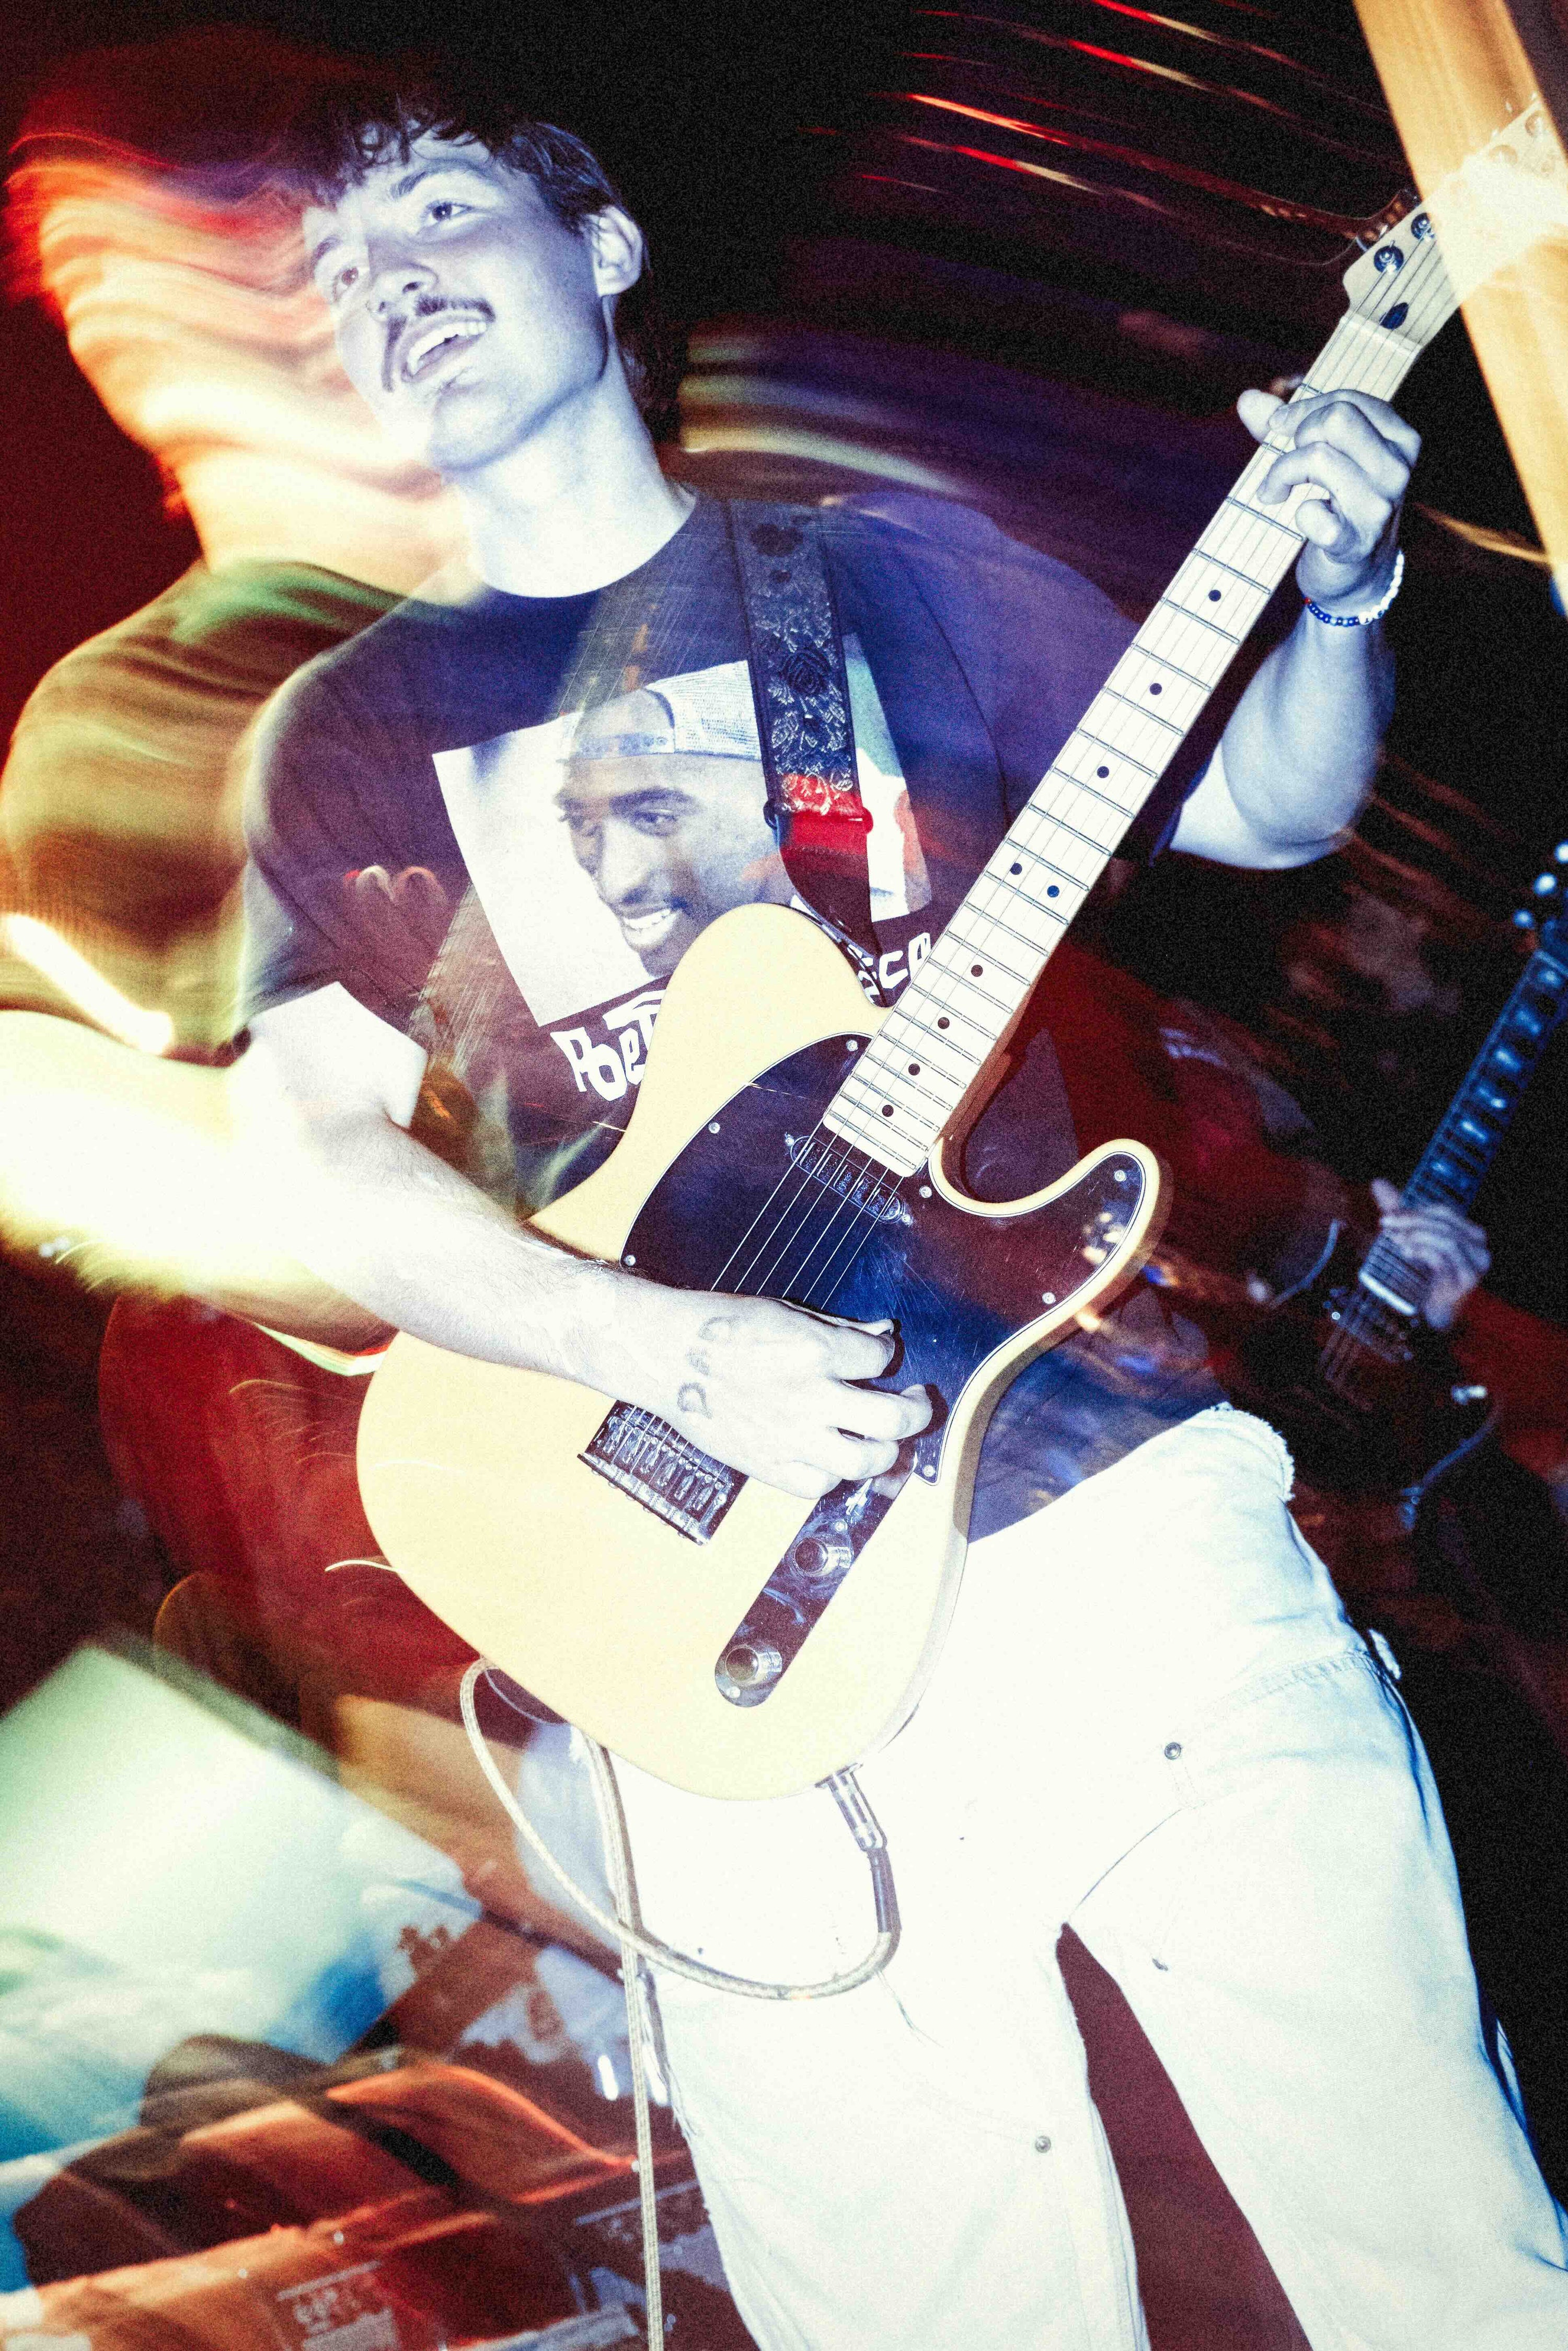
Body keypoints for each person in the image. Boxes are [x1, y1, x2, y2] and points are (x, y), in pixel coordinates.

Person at [235, 58, 1568, 2350]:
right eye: (345, 278)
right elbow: (314, 1152)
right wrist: (645, 1344)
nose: (393, 288)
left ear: (605, 253)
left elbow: (1258, 801)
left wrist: (1334, 594)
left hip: (1103, 1513)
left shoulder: (884, 574)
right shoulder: (345, 730)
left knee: (1439, 2253)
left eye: (443, 216)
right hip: (688, 1603)